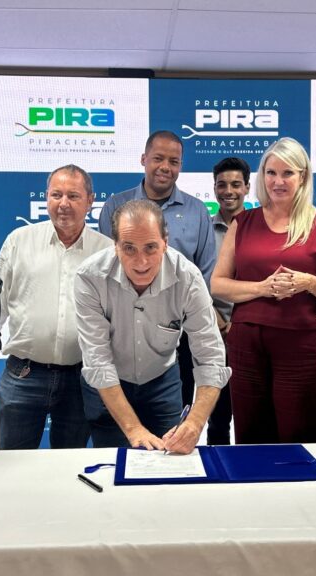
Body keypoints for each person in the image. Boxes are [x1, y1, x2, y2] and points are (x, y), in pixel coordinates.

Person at [211, 137, 316, 444]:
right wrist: (261, 288)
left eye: (287, 173)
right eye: (271, 173)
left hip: (304, 344)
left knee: (301, 433)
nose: (278, 181)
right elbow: (218, 284)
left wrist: (307, 282)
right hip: (246, 345)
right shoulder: (243, 222)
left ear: (303, 177)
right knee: (250, 434)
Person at [75, 200, 229, 455]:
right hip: (110, 383)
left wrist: (195, 422)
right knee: (113, 465)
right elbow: (98, 361)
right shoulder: (89, 277)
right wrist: (134, 429)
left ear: (165, 242)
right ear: (114, 246)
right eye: (129, 248)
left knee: (171, 464)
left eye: (150, 247)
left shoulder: (188, 278)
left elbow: (211, 357)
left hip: (162, 381)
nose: (141, 261)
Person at [0, 165, 112, 449]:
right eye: (56, 195)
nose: (63, 204)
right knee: (9, 468)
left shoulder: (107, 252)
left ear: (90, 200)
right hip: (24, 375)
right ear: (46, 197)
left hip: (81, 379)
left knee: (69, 469)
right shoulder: (19, 242)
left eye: (73, 196)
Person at [98, 131, 216, 412]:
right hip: (124, 332)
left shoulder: (197, 210)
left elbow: (206, 271)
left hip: (181, 334)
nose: (165, 167)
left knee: (176, 418)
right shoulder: (116, 206)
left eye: (174, 161)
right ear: (143, 159)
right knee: (118, 421)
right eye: (158, 159)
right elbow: (104, 270)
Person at [206, 156, 251, 445]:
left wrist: (242, 323)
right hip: (212, 333)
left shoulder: (259, 228)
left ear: (247, 188)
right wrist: (217, 320)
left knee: (251, 411)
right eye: (222, 185)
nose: (229, 191)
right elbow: (194, 280)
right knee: (217, 415)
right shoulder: (204, 231)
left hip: (251, 332)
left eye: (236, 184)